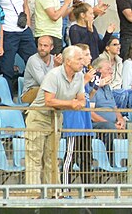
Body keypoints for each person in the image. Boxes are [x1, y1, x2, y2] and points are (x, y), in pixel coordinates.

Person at [25, 45, 92, 189]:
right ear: (68, 61)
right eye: (79, 59)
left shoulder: (79, 76)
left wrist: (75, 104)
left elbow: (81, 99)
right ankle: (33, 193)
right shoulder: (54, 75)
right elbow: (49, 100)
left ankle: (53, 192)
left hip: (56, 116)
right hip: (39, 116)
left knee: (52, 157)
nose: (82, 62)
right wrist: (71, 104)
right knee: (35, 157)